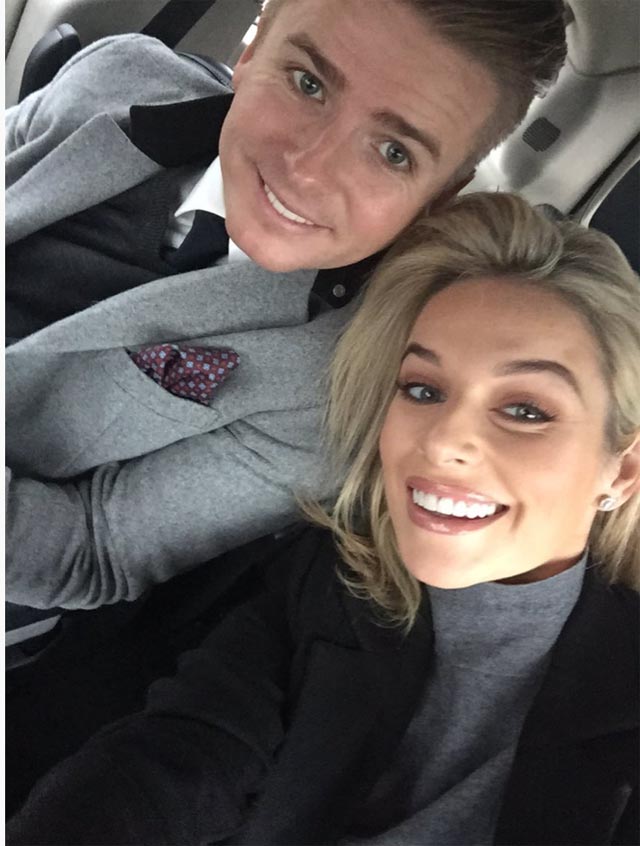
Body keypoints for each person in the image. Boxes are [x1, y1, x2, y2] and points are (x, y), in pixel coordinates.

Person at [7, 192, 639, 845]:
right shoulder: (325, 583)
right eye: (422, 390)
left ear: (620, 472)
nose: (444, 440)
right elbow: (175, 757)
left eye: (526, 410)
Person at [5, 0, 568, 611]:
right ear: (251, 52)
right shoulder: (118, 75)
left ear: (438, 197)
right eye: (308, 84)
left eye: (393, 152)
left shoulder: (326, 391)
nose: (309, 170)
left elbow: (94, 548)